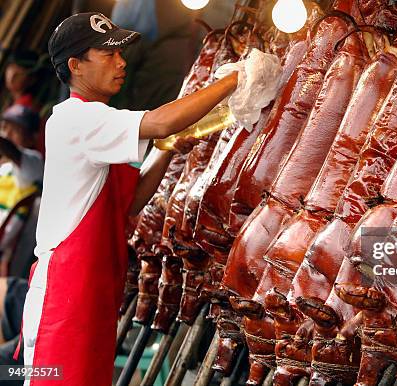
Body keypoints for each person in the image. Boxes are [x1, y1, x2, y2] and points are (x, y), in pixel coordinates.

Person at [19, 12, 238, 386]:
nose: (122, 63)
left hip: (92, 294)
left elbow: (132, 201)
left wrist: (166, 150)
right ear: (76, 65)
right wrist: (237, 79)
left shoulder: (99, 121)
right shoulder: (74, 118)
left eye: (120, 54)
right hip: (64, 296)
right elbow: (162, 121)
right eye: (108, 55)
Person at [0, 105, 43, 257]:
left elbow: (12, 150)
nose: (7, 134)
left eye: (16, 130)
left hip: (7, 257)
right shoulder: (5, 168)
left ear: (32, 138)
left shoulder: (35, 161)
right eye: (5, 127)